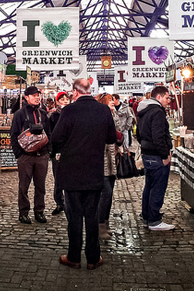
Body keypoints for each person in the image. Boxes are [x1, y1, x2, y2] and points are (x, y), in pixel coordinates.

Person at [52, 79, 117, 270]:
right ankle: (93, 258)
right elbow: (112, 138)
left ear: (74, 92)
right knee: (92, 215)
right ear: (90, 90)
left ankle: (73, 257)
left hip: (71, 172)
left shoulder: (68, 111)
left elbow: (56, 138)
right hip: (94, 171)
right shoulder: (103, 110)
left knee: (74, 217)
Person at [10, 86, 51, 224]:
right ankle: (23, 213)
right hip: (25, 157)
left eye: (38, 95)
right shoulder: (19, 114)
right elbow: (14, 134)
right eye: (33, 95)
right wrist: (19, 154)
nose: (36, 97)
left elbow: (49, 133)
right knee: (24, 187)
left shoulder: (43, 113)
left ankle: (39, 211)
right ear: (26, 97)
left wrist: (48, 151)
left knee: (41, 186)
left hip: (42, 156)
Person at [136, 86, 174, 231]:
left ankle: (147, 216)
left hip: (147, 153)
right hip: (157, 156)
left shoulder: (143, 111)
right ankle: (154, 220)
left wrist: (145, 146)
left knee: (149, 186)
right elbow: (158, 136)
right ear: (159, 97)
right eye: (167, 97)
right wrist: (165, 155)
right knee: (157, 187)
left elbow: (138, 134)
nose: (168, 101)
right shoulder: (157, 112)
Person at [95, 93, 121, 240]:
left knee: (109, 194)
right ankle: (99, 225)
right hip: (102, 160)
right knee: (106, 193)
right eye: (110, 100)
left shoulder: (113, 115)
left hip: (112, 159)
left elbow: (119, 133)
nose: (113, 102)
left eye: (113, 100)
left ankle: (105, 222)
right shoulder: (99, 118)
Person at [49, 91, 70, 216]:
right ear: (57, 101)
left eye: (66, 99)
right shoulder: (53, 116)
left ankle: (68, 202)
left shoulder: (74, 114)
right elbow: (51, 133)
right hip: (57, 151)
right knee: (58, 178)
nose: (65, 101)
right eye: (62, 99)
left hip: (71, 151)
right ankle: (59, 202)